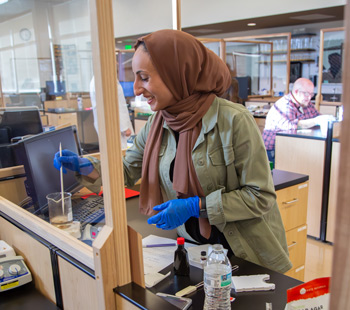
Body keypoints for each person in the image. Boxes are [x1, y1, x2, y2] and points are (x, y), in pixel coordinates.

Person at [54, 29, 292, 273]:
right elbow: (127, 170)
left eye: (144, 78)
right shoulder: (157, 123)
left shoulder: (235, 120)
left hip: (245, 256)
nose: (136, 89)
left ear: (178, 75)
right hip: (196, 255)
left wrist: (196, 206)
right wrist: (88, 168)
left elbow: (260, 196)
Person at [90, 76, 134, 149]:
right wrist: (125, 127)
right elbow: (114, 103)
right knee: (122, 151)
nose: (116, 63)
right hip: (115, 126)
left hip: (106, 124)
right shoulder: (106, 78)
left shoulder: (96, 79)